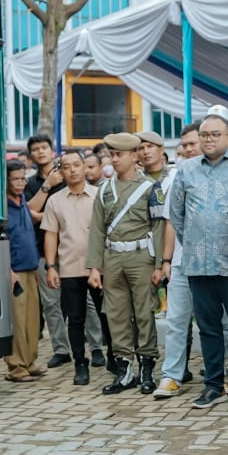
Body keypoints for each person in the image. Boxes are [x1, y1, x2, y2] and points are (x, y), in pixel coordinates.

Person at [169, 114, 228, 410]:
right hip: (197, 265)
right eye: (204, 135)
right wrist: (195, 243)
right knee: (208, 328)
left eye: (215, 134)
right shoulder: (185, 170)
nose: (208, 139)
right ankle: (213, 385)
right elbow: (177, 215)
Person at [86, 133, 167, 395]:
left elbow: (158, 227)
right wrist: (94, 267)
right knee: (116, 314)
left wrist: (158, 265)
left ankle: (147, 368)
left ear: (135, 156)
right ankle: (124, 370)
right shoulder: (104, 190)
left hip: (141, 257)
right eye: (112, 154)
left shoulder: (149, 188)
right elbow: (97, 230)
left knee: (144, 313)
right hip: (112, 258)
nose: (115, 160)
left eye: (120, 155)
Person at [42, 149, 109, 387]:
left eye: (76, 165)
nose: (72, 170)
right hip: (70, 268)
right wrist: (51, 266)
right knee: (76, 319)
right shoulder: (55, 200)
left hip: (100, 268)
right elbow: (51, 235)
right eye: (66, 166)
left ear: (84, 167)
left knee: (106, 314)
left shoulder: (100, 195)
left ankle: (113, 358)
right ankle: (81, 364)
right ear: (61, 171)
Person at [154, 122, 201, 398]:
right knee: (176, 321)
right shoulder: (177, 176)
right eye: (184, 144)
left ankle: (217, 377)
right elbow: (170, 221)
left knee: (214, 324)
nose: (187, 148)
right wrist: (167, 261)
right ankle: (171, 376)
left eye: (191, 142)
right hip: (182, 262)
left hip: (216, 263)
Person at [24, 134, 72, 370]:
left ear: (53, 151)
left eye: (44, 147)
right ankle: (61, 350)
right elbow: (29, 212)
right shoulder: (30, 183)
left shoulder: (68, 176)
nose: (40, 152)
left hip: (71, 249)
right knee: (51, 304)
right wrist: (47, 186)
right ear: (31, 155)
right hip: (43, 250)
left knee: (83, 303)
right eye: (35, 149)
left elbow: (71, 212)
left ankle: (94, 348)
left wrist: (46, 217)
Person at [2, 160, 44, 383]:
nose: (20, 183)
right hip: (14, 271)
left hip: (30, 268)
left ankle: (30, 361)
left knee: (32, 320)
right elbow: (2, 242)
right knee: (17, 321)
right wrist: (8, 270)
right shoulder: (3, 207)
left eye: (22, 178)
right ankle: (16, 366)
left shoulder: (23, 201)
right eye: (15, 179)